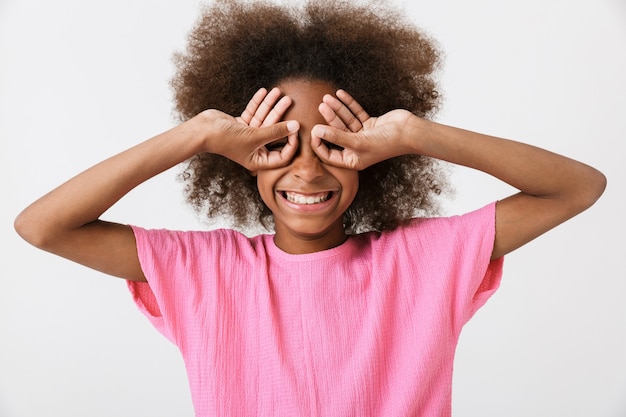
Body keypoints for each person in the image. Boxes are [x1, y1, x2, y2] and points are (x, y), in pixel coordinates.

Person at [14, 0, 606, 415]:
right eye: (276, 145)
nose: (306, 170)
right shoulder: (204, 271)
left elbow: (578, 187)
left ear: (372, 155)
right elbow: (40, 226)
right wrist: (193, 135)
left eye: (333, 144)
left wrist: (416, 134)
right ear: (237, 159)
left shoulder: (424, 261)